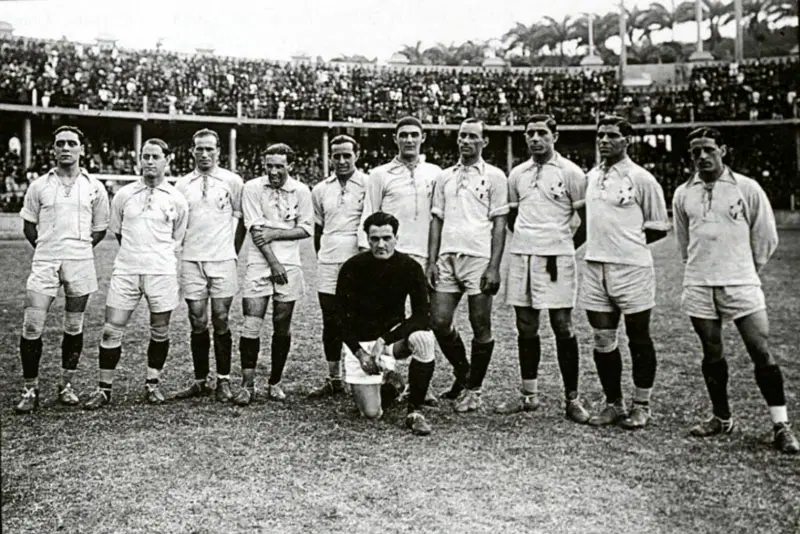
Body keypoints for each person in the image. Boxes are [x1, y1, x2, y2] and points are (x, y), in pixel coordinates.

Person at [672, 127, 798, 454]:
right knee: (712, 353)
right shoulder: (683, 193)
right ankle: (721, 417)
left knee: (761, 351)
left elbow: (766, 236)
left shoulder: (747, 188)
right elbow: (684, 242)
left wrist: (744, 269)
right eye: (695, 152)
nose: (702, 157)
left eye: (708, 150)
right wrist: (701, 268)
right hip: (700, 283)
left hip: (741, 283)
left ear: (723, 150)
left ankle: (780, 424)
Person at [494, 115, 590, 423]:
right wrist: (529, 240)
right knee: (525, 325)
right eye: (530, 133)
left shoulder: (571, 172)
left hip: (555, 259)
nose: (536, 138)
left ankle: (572, 399)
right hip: (522, 255)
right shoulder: (518, 173)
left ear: (555, 136)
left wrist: (561, 246)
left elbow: (585, 221)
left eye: (542, 133)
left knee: (562, 325)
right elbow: (510, 216)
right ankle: (528, 395)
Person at [84, 138, 189, 410]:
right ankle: (103, 388)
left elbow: (177, 235)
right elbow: (118, 232)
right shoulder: (124, 195)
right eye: (145, 156)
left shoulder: (177, 198)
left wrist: (156, 256)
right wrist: (136, 255)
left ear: (167, 161)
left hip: (161, 272)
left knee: (160, 331)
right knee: (110, 331)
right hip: (127, 270)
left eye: (155, 156)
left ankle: (153, 384)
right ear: (139, 160)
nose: (150, 162)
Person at [580, 115, 670, 430]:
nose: (604, 140)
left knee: (638, 338)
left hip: (632, 268)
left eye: (612, 135)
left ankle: (641, 404)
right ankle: (613, 403)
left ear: (626, 140)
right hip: (595, 266)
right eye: (600, 135)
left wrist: (627, 247)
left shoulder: (641, 178)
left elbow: (659, 227)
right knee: (603, 339)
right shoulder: (590, 176)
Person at [15, 126, 110, 413]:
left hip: (80, 260)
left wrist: (77, 249)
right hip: (45, 260)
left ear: (82, 149)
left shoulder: (94, 186)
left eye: (71, 143)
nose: (65, 148)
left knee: (73, 324)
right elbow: (29, 226)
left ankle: (66, 384)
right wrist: (49, 247)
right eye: (60, 144)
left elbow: (100, 228)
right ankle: (30, 389)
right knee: (32, 325)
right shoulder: (39, 185)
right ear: (53, 149)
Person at [427, 118, 509, 413]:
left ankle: (474, 390)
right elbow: (436, 220)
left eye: (473, 137)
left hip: (478, 258)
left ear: (484, 142)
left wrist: (494, 267)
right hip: (447, 257)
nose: (465, 141)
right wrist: (431, 260)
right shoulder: (445, 176)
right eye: (462, 136)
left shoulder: (496, 177)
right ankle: (464, 374)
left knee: (480, 325)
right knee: (438, 321)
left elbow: (500, 225)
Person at [337, 212, 436, 436]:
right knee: (371, 414)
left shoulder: (410, 267)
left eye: (387, 238)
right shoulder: (352, 267)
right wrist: (359, 353)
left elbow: (422, 316)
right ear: (367, 239)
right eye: (374, 239)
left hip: (392, 340)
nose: (381, 244)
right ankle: (393, 384)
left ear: (396, 237)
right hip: (362, 343)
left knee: (423, 338)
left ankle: (415, 411)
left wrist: (384, 340)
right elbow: (339, 319)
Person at [233, 143, 313, 406]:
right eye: (269, 166)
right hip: (260, 263)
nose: (274, 171)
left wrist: (276, 232)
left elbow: (306, 228)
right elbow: (256, 231)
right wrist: (274, 263)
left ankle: (275, 382)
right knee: (251, 323)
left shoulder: (301, 191)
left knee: (282, 324)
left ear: (290, 165)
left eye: (279, 166)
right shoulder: (253, 188)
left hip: (291, 265)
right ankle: (247, 385)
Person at [173, 129, 246, 402]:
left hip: (223, 260)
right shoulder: (182, 185)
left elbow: (242, 221)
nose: (205, 154)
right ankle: (201, 380)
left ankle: (224, 381)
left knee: (221, 319)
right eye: (199, 149)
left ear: (218, 152)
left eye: (210, 149)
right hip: (192, 259)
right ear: (192, 151)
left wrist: (232, 253)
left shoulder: (232, 181)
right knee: (197, 320)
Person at [308, 135, 368, 398]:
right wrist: (322, 255)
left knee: (361, 318)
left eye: (347, 155)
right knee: (330, 319)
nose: (341, 161)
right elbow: (318, 230)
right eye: (336, 156)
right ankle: (334, 378)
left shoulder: (368, 184)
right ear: (329, 157)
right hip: (329, 259)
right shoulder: (320, 189)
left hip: (359, 260)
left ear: (357, 155)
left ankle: (364, 375)